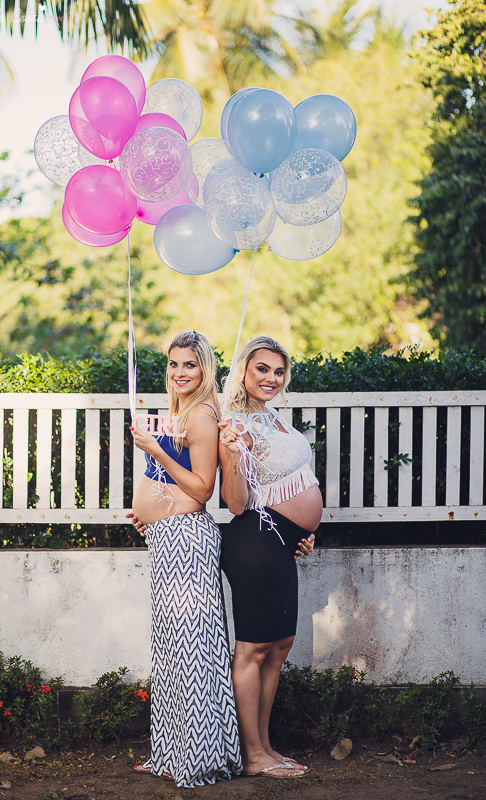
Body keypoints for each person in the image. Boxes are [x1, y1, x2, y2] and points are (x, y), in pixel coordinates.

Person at [125, 330, 241, 788]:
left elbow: (201, 489)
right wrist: (147, 511)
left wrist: (155, 450)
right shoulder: (178, 412)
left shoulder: (203, 415)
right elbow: (168, 482)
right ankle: (174, 751)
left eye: (189, 365)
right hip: (166, 537)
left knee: (195, 650)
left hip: (188, 541)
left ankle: (201, 754)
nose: (179, 373)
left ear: (205, 368)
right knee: (173, 648)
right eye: (173, 364)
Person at [218, 336, 322, 779]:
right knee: (254, 648)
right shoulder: (234, 421)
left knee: (280, 646)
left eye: (278, 371)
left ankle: (264, 746)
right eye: (262, 369)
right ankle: (252, 754)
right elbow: (236, 502)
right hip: (255, 540)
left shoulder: (274, 417)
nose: (271, 378)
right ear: (244, 369)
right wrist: (232, 451)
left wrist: (306, 531)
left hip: (284, 540)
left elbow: (295, 482)